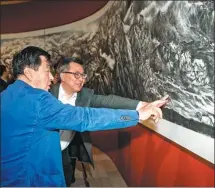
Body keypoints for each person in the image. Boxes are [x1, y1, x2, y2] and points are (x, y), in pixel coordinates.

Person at [1, 46, 166, 187]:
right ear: (29, 73)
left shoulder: (6, 96)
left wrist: (140, 104)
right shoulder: (39, 100)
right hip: (33, 179)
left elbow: (108, 101)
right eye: (47, 71)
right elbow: (85, 118)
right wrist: (137, 115)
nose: (52, 77)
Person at [50, 56, 169, 186]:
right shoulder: (46, 95)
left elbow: (109, 101)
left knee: (65, 181)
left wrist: (145, 105)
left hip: (65, 151)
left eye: (83, 75)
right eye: (76, 75)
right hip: (44, 153)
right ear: (62, 75)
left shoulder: (84, 96)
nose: (81, 79)